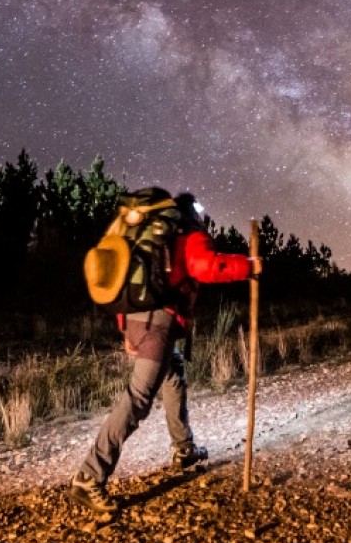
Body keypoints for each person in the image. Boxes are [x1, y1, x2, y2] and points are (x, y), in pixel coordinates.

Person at [68, 188, 260, 514]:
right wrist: (249, 265)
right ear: (193, 213)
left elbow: (124, 282)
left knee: (173, 374)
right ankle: (90, 475)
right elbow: (205, 266)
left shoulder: (151, 238)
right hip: (158, 323)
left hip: (136, 320)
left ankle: (184, 448)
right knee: (138, 399)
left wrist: (126, 328)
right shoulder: (188, 233)